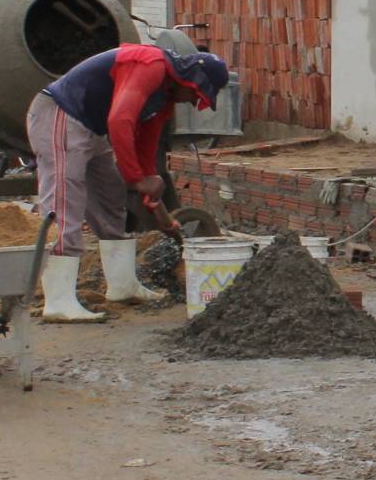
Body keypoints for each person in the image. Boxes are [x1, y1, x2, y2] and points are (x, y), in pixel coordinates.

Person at [29, 42, 229, 322]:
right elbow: (120, 120)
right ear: (190, 80)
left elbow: (146, 141)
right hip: (60, 113)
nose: (191, 101)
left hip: (88, 126)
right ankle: (58, 301)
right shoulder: (151, 66)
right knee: (65, 200)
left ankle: (122, 285)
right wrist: (137, 178)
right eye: (195, 94)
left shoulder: (164, 97)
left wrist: (149, 185)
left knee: (111, 195)